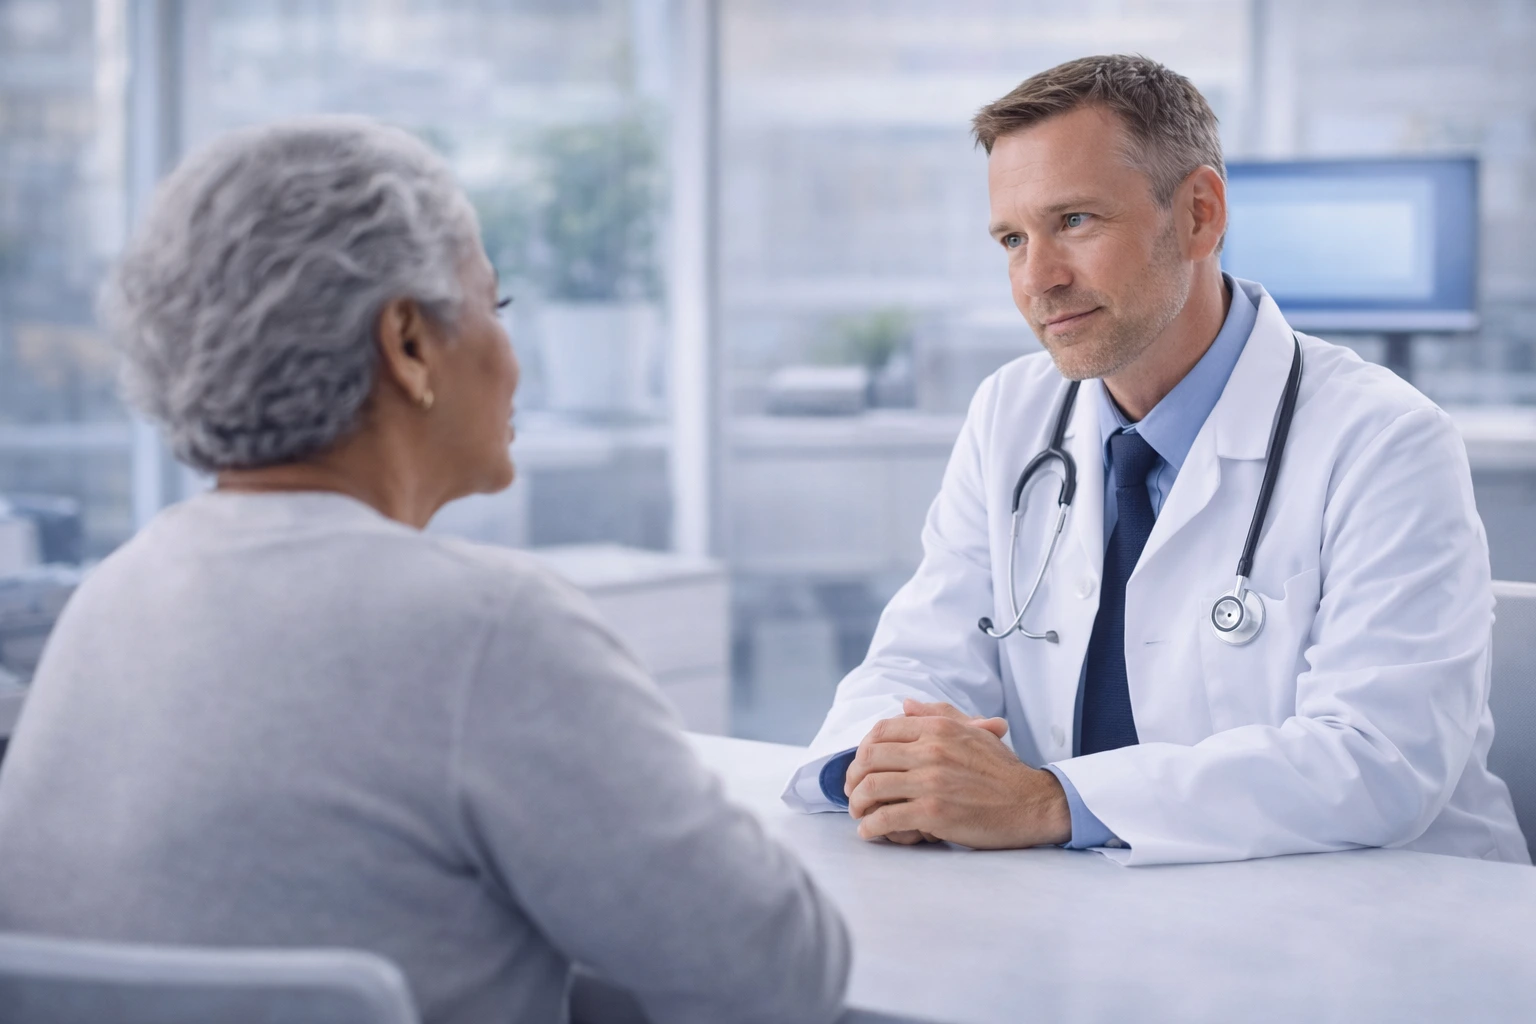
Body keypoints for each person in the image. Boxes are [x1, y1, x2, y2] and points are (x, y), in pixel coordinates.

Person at [0, 117, 850, 1024]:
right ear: (407, 342)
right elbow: (778, 976)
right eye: (497, 307)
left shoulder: (115, 594)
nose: (514, 359)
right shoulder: (489, 627)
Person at [782, 54, 1530, 867]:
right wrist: (881, 766)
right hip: (1103, 909)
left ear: (1201, 215)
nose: (1038, 280)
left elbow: (1379, 760)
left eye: (1075, 221)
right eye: (1011, 238)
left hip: (1392, 925)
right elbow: (920, 659)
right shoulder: (1011, 413)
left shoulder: (1387, 440)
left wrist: (1047, 801)